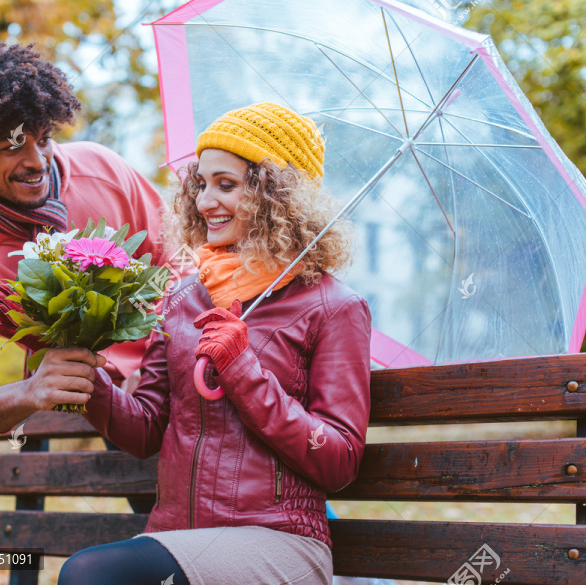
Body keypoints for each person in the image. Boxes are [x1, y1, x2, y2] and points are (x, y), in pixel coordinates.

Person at [55, 102, 372, 585]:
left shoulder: (332, 306)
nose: (205, 203)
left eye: (226, 185)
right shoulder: (185, 297)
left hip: (278, 539)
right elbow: (145, 431)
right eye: (201, 184)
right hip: (175, 536)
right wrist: (86, 373)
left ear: (276, 195)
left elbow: (339, 459)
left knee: (90, 575)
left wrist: (243, 370)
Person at [0, 41, 167, 514]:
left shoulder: (102, 172)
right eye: (13, 145)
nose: (36, 160)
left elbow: (181, 262)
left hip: (181, 377)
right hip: (120, 422)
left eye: (43, 137)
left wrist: (150, 362)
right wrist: (29, 392)